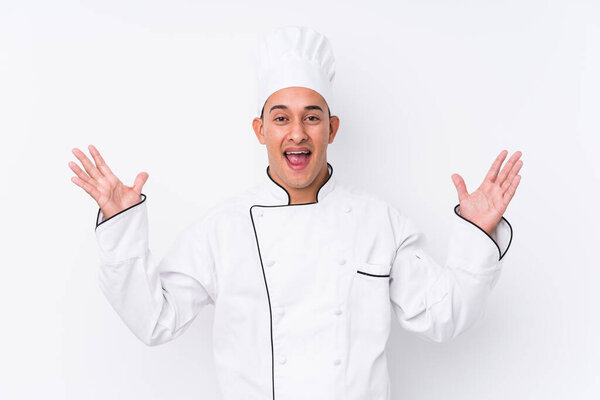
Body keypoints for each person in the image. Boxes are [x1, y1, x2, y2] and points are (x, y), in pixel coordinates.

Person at [69, 25, 522, 400]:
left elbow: (445, 315)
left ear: (332, 127)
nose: (297, 133)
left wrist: (477, 234)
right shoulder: (222, 229)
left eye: (312, 116)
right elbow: (154, 319)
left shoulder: (378, 223)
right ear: (260, 130)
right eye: (281, 118)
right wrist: (120, 227)